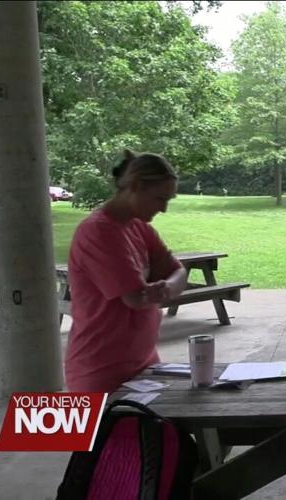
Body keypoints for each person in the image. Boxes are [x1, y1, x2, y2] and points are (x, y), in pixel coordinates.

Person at [65, 150, 188, 393]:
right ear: (136, 187)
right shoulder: (99, 231)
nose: (164, 209)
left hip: (144, 362)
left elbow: (178, 271)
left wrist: (167, 287)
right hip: (101, 370)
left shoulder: (139, 227)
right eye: (159, 198)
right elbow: (135, 298)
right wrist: (167, 289)